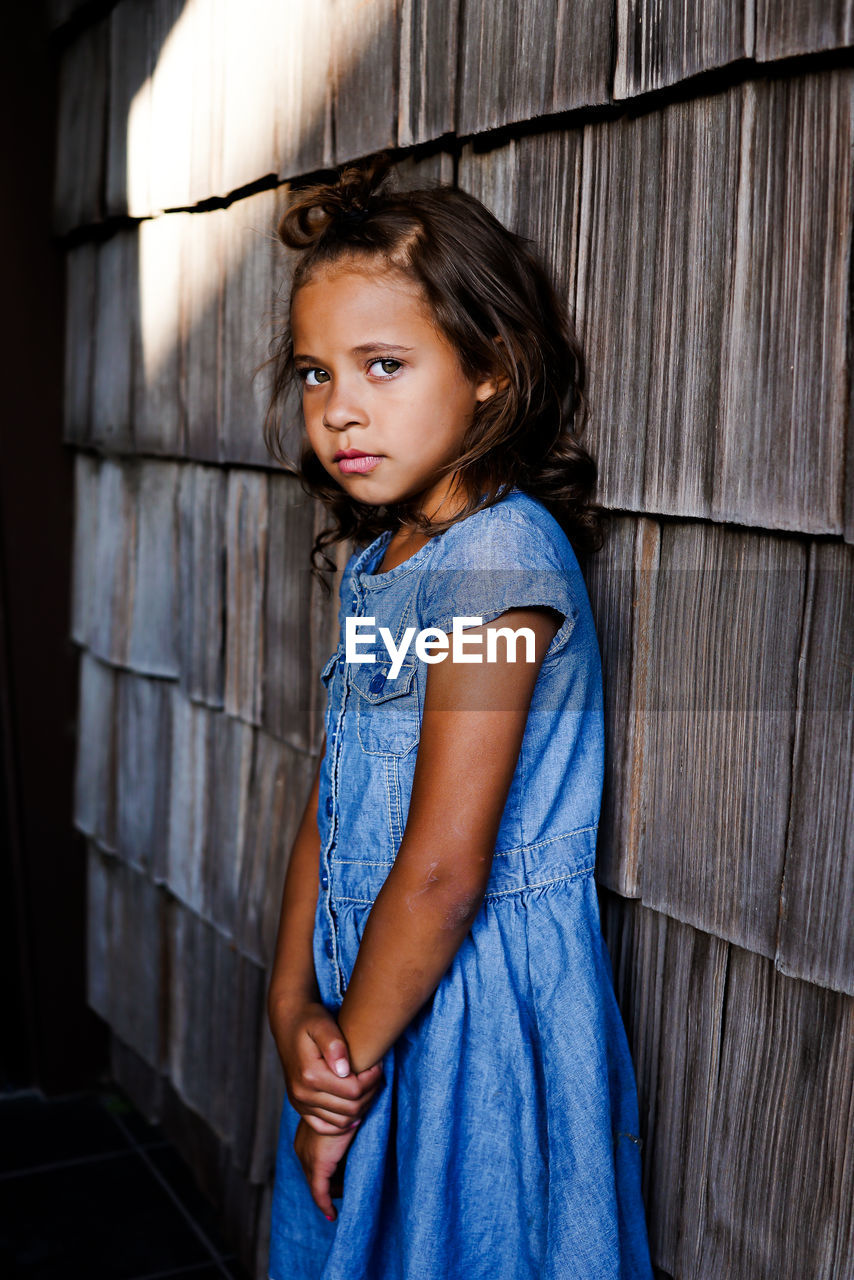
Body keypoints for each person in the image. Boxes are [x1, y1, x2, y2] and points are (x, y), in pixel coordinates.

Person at [263, 154, 654, 1280]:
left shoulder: (497, 566)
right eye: (313, 373)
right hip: (359, 1007)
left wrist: (336, 1089)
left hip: (466, 1010)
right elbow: (330, 799)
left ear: (489, 366)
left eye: (382, 365)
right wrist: (293, 1006)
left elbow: (440, 873)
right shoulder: (384, 560)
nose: (338, 408)